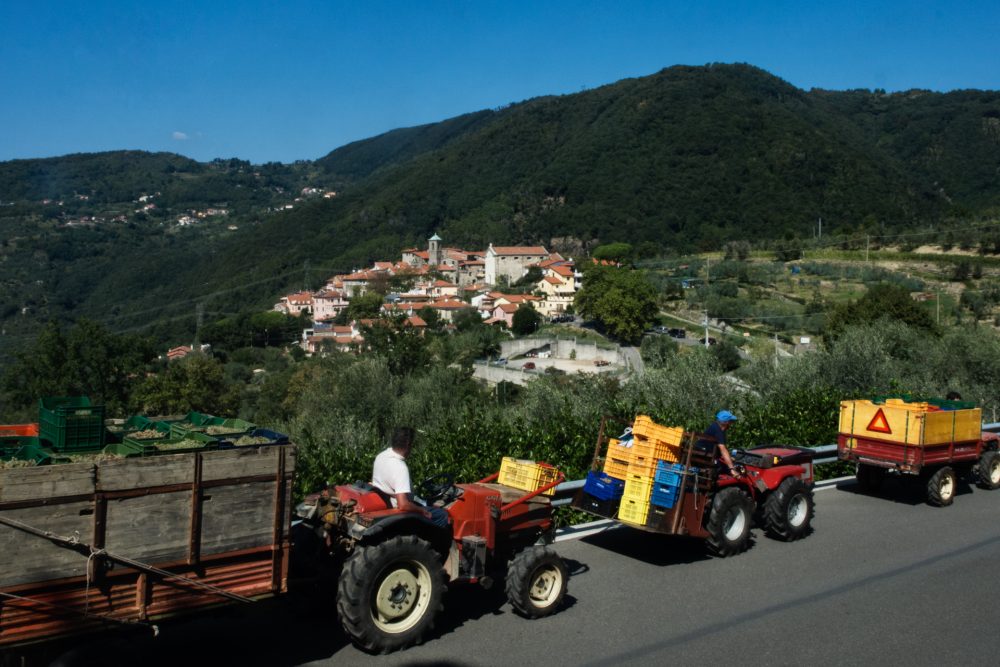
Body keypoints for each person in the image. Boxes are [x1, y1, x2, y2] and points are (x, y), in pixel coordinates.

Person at [371, 427, 449, 528]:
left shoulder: (381, 456)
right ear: (408, 446)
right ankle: (435, 542)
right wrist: (422, 510)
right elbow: (403, 504)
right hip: (397, 507)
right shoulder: (400, 467)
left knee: (424, 503)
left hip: (387, 499)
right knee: (441, 514)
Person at [695, 410, 740, 477]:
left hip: (706, 455)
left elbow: (719, 450)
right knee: (726, 470)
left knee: (724, 466)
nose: (731, 424)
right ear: (726, 422)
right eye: (731, 422)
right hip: (704, 456)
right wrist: (732, 469)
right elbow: (723, 449)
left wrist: (729, 459)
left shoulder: (716, 427)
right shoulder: (718, 431)